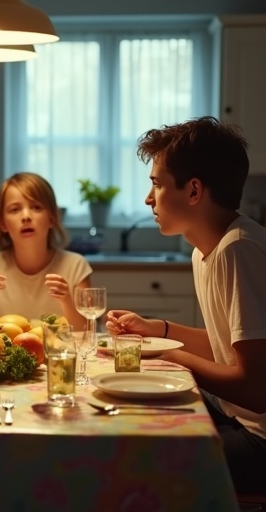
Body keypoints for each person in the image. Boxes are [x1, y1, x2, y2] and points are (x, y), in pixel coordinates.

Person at [105, 116, 266, 494]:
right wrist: (158, 331)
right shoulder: (208, 249)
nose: (148, 199)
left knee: (137, 458)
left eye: (156, 185)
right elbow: (229, 349)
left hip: (259, 440)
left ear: (194, 191)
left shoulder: (239, 250)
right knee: (132, 416)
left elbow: (256, 387)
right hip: (236, 417)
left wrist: (167, 358)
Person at [0, 172, 92, 334]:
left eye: (36, 207)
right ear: (2, 223)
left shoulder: (75, 265)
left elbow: (87, 332)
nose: (26, 216)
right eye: (15, 209)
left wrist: (66, 300)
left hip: (57, 356)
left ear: (52, 218)